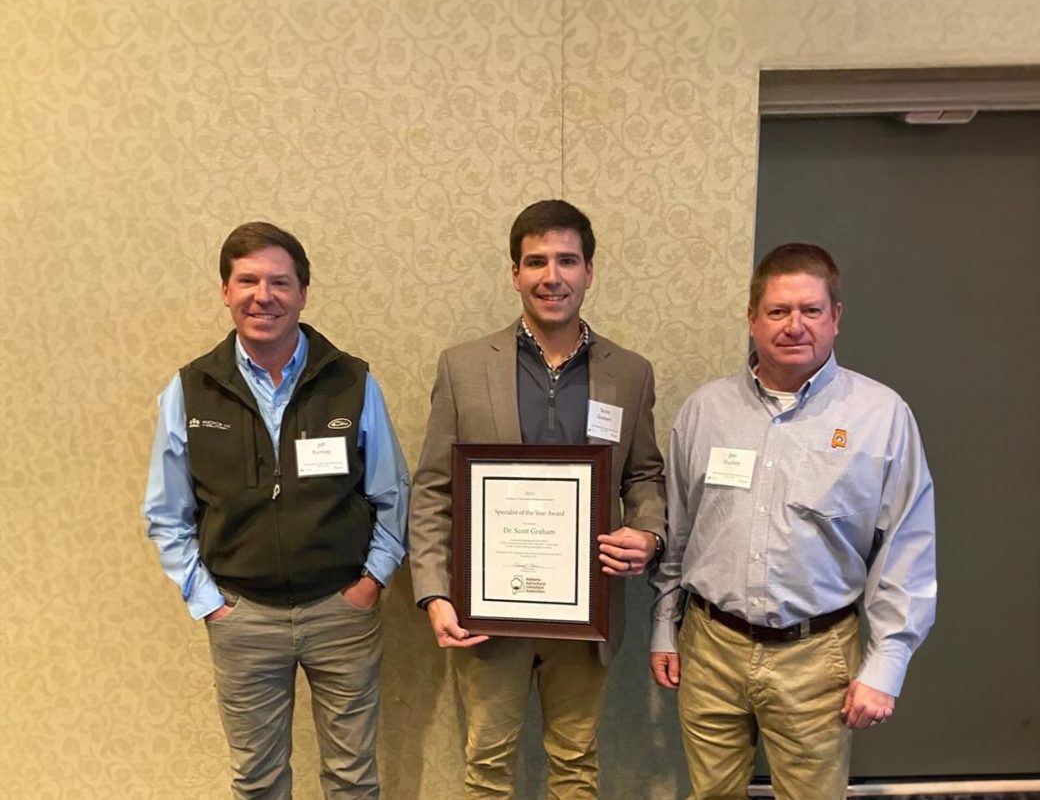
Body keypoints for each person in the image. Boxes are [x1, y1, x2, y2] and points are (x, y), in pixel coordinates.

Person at [650, 243, 936, 800]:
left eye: (810, 310)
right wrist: (665, 626)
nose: (794, 326)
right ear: (753, 318)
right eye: (778, 311)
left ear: (836, 317)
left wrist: (887, 664)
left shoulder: (881, 417)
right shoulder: (705, 410)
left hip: (817, 655)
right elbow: (679, 533)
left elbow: (908, 548)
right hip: (709, 647)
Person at [409, 200, 667, 798]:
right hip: (488, 609)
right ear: (515, 273)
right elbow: (432, 489)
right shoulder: (463, 367)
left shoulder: (629, 372)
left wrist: (648, 535)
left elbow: (645, 475)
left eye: (567, 261)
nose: (553, 276)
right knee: (487, 766)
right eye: (537, 261)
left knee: (575, 763)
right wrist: (434, 592)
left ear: (590, 271)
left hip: (587, 609)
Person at [143, 221, 409, 798]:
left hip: (342, 612)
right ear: (225, 291)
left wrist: (371, 580)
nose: (264, 295)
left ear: (303, 293)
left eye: (280, 282)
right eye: (248, 280)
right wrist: (209, 602)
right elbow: (166, 513)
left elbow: (393, 492)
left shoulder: (352, 383)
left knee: (353, 778)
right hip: (244, 618)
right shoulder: (189, 391)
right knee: (257, 781)